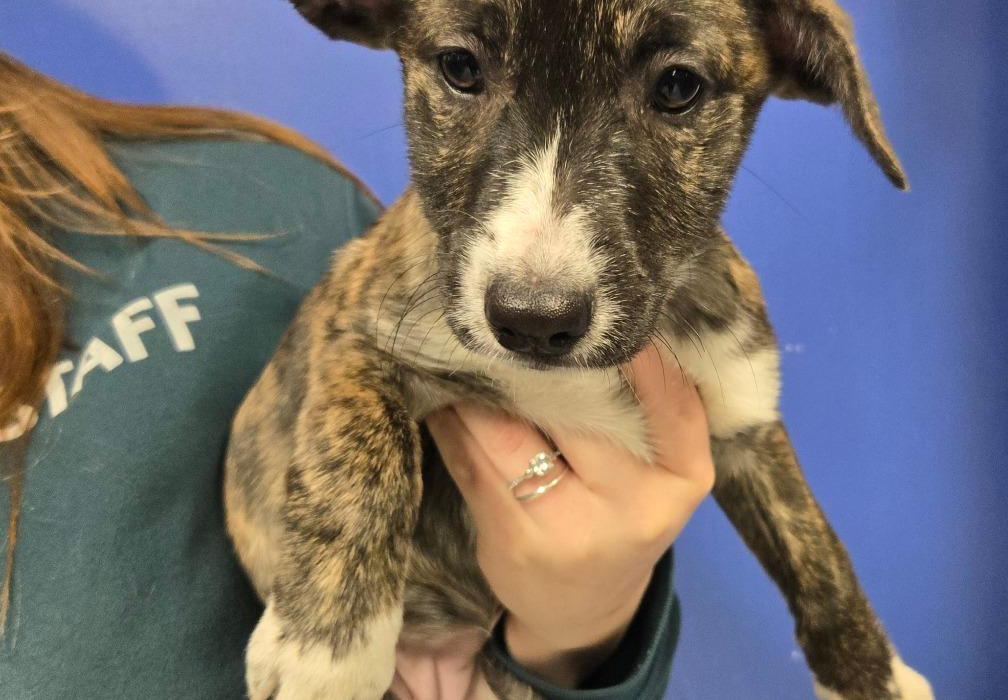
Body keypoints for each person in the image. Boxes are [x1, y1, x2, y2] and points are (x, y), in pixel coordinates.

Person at [0, 52, 713, 700]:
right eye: (464, 72)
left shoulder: (246, 192)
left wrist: (581, 634)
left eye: (676, 88)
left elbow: (386, 364)